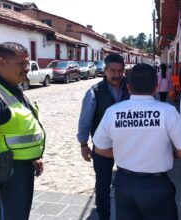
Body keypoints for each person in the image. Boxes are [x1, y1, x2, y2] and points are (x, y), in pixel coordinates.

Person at [92, 63, 181, 220]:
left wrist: (121, 153)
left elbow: (99, 149)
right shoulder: (168, 111)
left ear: (129, 87)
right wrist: (171, 155)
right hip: (157, 185)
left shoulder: (113, 112)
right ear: (156, 86)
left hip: (124, 184)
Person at [0, 42, 45, 220]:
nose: (27, 68)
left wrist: (32, 156)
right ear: (1, 62)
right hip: (2, 175)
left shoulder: (12, 87)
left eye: (28, 63)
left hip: (20, 170)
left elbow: (16, 128)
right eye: (21, 63)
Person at [77, 53, 129, 220]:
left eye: (120, 71)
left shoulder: (131, 89)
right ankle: (104, 216)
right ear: (104, 70)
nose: (116, 75)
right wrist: (83, 144)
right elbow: (85, 120)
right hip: (102, 148)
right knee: (102, 185)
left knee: (127, 184)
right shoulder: (95, 92)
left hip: (127, 147)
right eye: (112, 71)